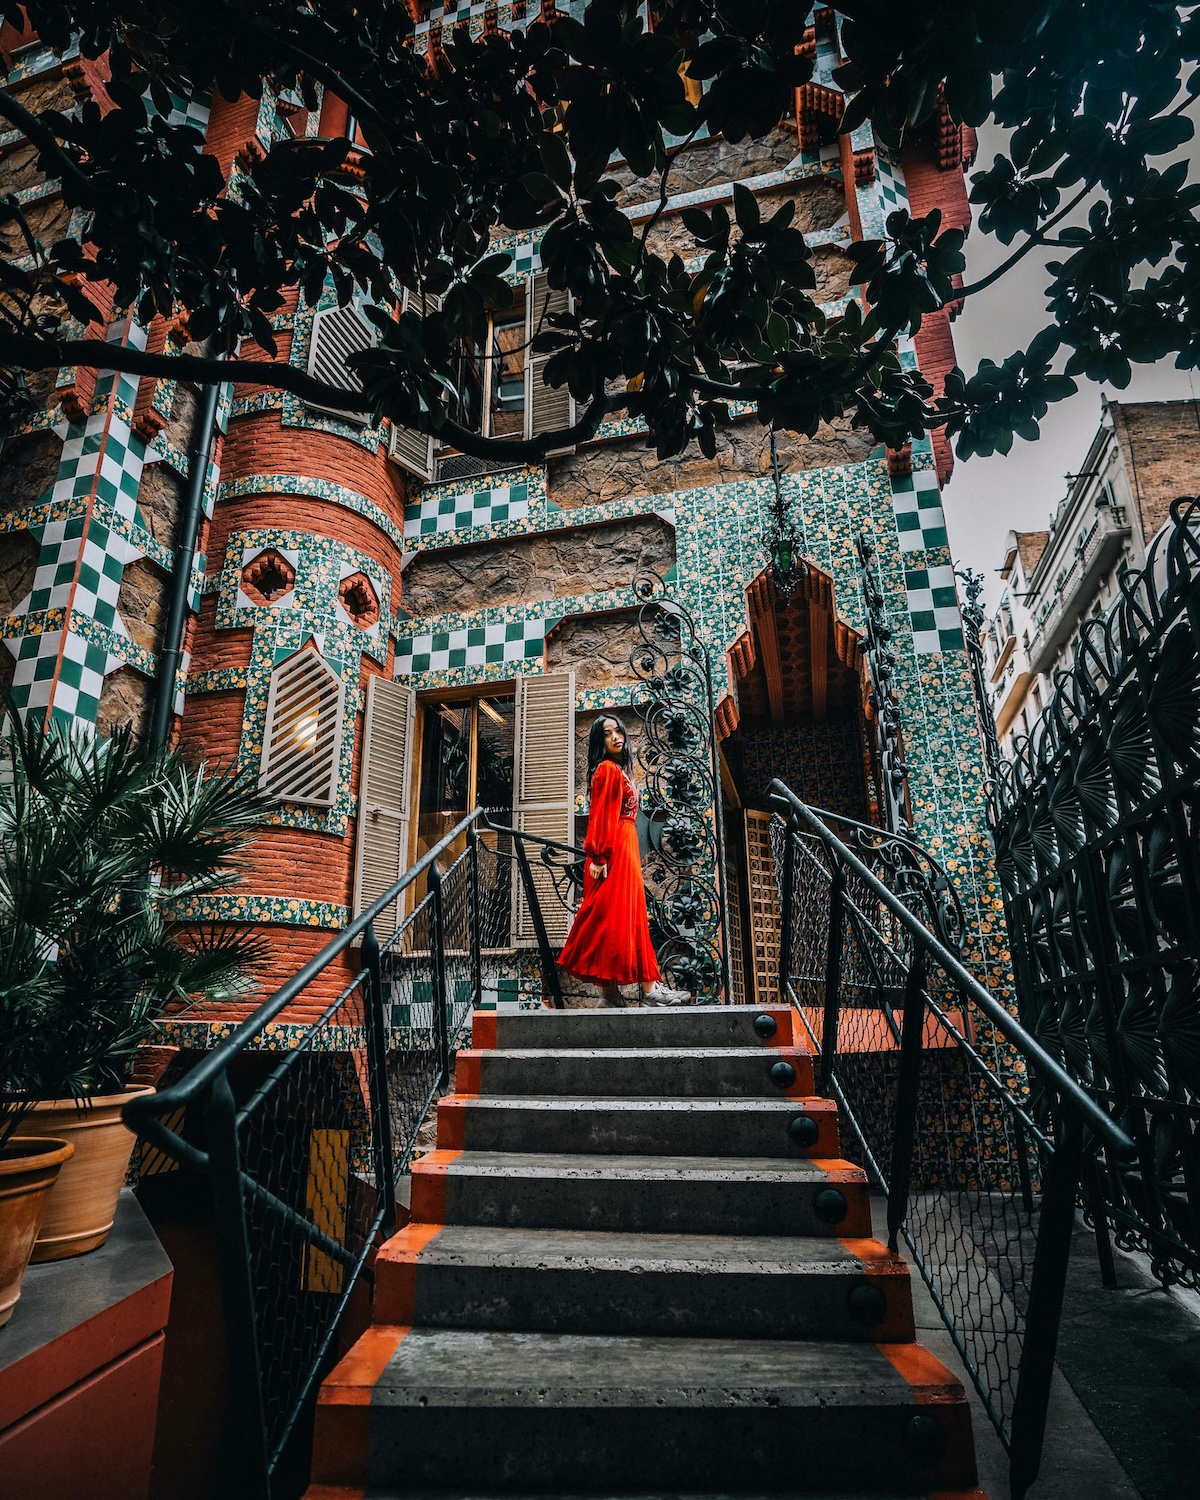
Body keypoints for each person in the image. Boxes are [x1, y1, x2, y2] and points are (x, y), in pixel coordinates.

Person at [558, 716, 690, 1007]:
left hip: (623, 847)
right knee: (616, 916)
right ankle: (646, 990)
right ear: (599, 742)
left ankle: (614, 994)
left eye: (618, 730)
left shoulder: (618, 770)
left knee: (620, 917)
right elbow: (602, 814)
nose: (616, 737)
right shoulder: (607, 769)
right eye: (607, 734)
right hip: (614, 850)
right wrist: (599, 854)